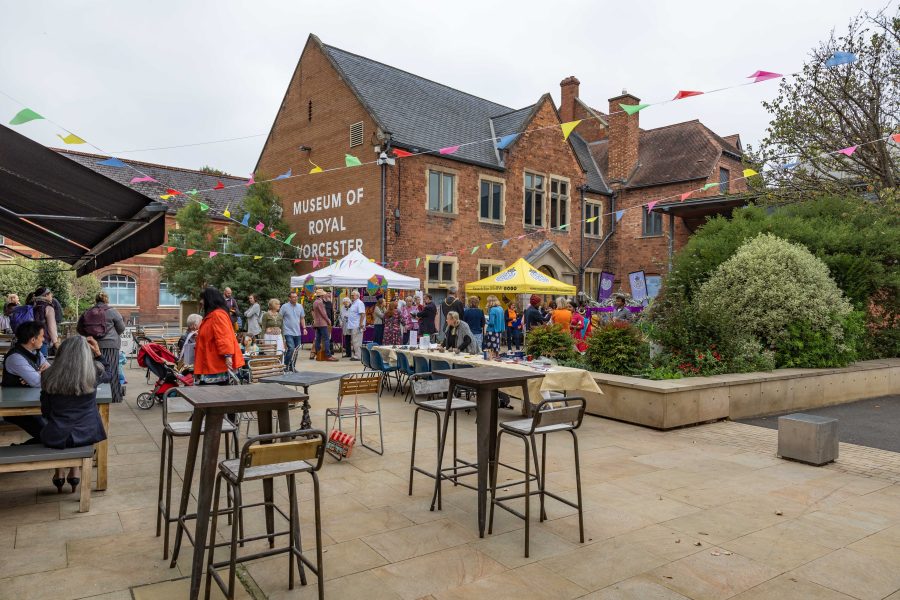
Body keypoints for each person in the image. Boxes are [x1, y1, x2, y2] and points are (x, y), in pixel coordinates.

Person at [40, 335, 110, 493]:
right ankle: (75, 472)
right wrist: (98, 353)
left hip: (56, 434)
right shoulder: (95, 373)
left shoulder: (47, 375)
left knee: (60, 431)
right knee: (77, 433)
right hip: (87, 433)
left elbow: (45, 412)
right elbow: (110, 373)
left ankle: (59, 472)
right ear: (86, 355)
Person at [1, 321, 49, 442]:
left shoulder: (36, 353)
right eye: (42, 336)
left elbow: (51, 371)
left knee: (59, 426)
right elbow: (38, 382)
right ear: (33, 339)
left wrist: (36, 374)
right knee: (49, 433)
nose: (43, 340)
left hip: (35, 402)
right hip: (17, 407)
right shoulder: (15, 357)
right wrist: (39, 373)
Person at [78, 292, 126, 403]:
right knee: (111, 370)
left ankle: (94, 396)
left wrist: (91, 336)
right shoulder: (112, 312)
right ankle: (114, 397)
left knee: (93, 370)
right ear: (106, 300)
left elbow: (80, 328)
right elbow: (121, 328)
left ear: (96, 300)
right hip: (111, 345)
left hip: (92, 345)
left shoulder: (87, 312)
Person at [194, 287, 245, 385]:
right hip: (211, 362)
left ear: (209, 300)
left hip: (215, 364)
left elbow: (224, 337)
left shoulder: (217, 315)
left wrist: (228, 356)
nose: (201, 302)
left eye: (203, 299)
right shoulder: (214, 315)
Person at [280, 291, 307, 371]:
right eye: (293, 297)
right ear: (289, 298)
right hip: (288, 331)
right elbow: (280, 318)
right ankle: (285, 365)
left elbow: (302, 318)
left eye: (296, 297)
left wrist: (304, 328)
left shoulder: (300, 306)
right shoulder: (284, 307)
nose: (295, 298)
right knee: (291, 348)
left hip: (297, 332)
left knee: (296, 350)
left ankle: (292, 366)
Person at [32, 287, 59, 356]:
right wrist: (55, 342)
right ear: (46, 295)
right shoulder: (48, 307)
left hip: (29, 339)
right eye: (50, 293)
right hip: (42, 339)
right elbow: (51, 327)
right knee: (42, 364)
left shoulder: (33, 306)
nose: (52, 295)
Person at [311, 289, 337, 361]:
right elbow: (324, 313)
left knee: (318, 339)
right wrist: (328, 320)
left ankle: (318, 354)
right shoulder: (320, 302)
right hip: (322, 323)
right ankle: (328, 355)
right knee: (326, 339)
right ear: (322, 295)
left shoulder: (315, 302)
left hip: (317, 323)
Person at [347, 290, 366, 360]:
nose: (352, 296)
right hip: (353, 325)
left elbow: (363, 314)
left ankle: (358, 356)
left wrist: (361, 323)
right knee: (355, 341)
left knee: (357, 341)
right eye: (351, 295)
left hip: (357, 325)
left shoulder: (359, 303)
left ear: (358, 296)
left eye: (353, 295)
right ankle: (357, 355)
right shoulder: (354, 303)